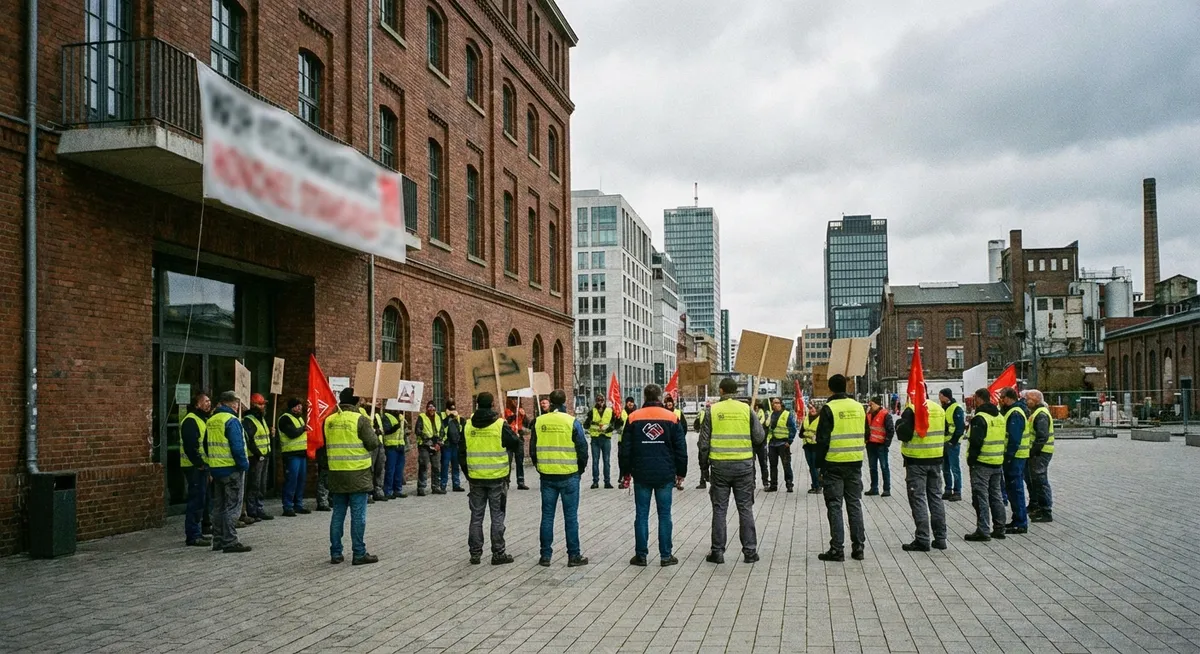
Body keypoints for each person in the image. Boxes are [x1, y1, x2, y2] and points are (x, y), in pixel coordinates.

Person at [699, 378, 765, 564]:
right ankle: (750, 552)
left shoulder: (712, 411)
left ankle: (717, 552)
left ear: (720, 391)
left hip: (719, 467)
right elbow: (759, 437)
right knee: (745, 508)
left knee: (719, 509)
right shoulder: (747, 409)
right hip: (744, 466)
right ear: (736, 391)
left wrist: (704, 469)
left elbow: (704, 444)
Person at [620, 384, 687, 567]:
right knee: (664, 515)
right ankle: (666, 555)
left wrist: (625, 472)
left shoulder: (633, 417)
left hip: (641, 473)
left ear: (644, 396)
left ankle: (641, 555)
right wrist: (681, 472)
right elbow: (681, 448)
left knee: (641, 514)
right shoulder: (672, 417)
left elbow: (625, 448)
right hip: (665, 474)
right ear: (660, 396)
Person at [460, 392, 521, 565]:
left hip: (476, 479)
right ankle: (498, 553)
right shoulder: (499, 425)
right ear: (493, 404)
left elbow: (461, 453)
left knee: (476, 516)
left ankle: (475, 553)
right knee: (497, 516)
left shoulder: (468, 425)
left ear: (477, 404)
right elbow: (515, 444)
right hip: (497, 478)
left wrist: (468, 473)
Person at [529, 389, 589, 567]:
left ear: (550, 402)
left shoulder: (539, 421)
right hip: (569, 474)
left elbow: (533, 449)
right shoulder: (571, 422)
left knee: (547, 516)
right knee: (570, 517)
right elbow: (582, 449)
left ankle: (545, 556)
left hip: (547, 475)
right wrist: (580, 469)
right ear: (565, 402)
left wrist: (540, 467)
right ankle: (573, 556)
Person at [324, 387, 380, 565]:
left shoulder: (329, 420)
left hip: (336, 474)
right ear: (356, 402)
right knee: (358, 516)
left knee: (338, 514)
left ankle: (335, 552)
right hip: (358, 473)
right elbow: (372, 444)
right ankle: (359, 553)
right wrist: (375, 434)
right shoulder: (360, 419)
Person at [815, 375, 866, 562]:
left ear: (830, 388)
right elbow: (866, 433)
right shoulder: (859, 407)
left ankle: (837, 549)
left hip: (834, 463)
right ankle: (859, 547)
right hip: (855, 462)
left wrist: (819, 466)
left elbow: (822, 440)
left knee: (835, 505)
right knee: (854, 504)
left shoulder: (829, 409)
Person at [896, 388, 948, 552]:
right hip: (935, 459)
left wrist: (899, 424)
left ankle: (922, 538)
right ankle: (940, 538)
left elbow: (904, 434)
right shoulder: (939, 409)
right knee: (936, 498)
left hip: (916, 461)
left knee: (918, 499)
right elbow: (945, 431)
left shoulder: (912, 410)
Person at [203, 391, 252, 553]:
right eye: (237, 403)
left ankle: (217, 540)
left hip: (216, 469)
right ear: (232, 404)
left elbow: (205, 445)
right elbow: (237, 447)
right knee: (233, 506)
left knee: (219, 506)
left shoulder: (211, 420)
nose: (238, 406)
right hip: (232, 469)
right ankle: (230, 541)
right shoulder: (231, 420)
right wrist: (244, 465)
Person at [964, 388, 1007, 542]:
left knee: (981, 497)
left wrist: (971, 460)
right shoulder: (1000, 417)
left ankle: (983, 529)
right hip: (997, 462)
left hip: (981, 463)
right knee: (996, 496)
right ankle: (1000, 528)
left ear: (979, 399)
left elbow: (976, 442)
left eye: (974, 398)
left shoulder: (980, 418)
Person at [180, 393, 211, 546]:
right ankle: (193, 535)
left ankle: (200, 530)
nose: (208, 403)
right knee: (196, 500)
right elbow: (191, 445)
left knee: (202, 499)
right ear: (197, 404)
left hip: (201, 466)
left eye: (209, 401)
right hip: (194, 466)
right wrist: (199, 463)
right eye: (205, 401)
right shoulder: (191, 420)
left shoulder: (201, 419)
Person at [997, 387, 1030, 534]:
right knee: (1013, 489)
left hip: (1015, 457)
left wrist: (1008, 458)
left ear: (1009, 398)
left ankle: (1020, 522)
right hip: (1016, 456)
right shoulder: (1013, 411)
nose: (1000, 401)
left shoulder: (1015, 413)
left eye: (1002, 398)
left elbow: (1014, 439)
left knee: (1016, 489)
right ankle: (1017, 519)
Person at [242, 393, 273, 521]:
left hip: (264, 455)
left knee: (261, 484)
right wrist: (258, 454)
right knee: (254, 484)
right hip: (255, 457)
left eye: (263, 404)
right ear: (254, 405)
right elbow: (250, 440)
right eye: (261, 404)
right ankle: (253, 510)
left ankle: (259, 508)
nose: (263, 407)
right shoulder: (249, 420)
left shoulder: (261, 419)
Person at [1025, 389, 1055, 523]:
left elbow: (1042, 436)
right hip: (1039, 452)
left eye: (1029, 399)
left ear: (1036, 400)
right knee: (1037, 480)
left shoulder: (1041, 414)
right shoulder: (1037, 413)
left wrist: (1033, 451)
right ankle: (1040, 507)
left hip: (1040, 453)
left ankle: (1046, 510)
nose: (1026, 401)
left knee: (1040, 480)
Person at [278, 398, 311, 516]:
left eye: (300, 406)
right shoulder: (285, 419)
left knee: (301, 481)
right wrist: (303, 429)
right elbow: (292, 433)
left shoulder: (299, 418)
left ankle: (298, 504)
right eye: (297, 406)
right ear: (291, 407)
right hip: (291, 454)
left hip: (301, 454)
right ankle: (288, 506)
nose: (299, 408)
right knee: (291, 481)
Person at [765, 397, 797, 492]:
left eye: (776, 402)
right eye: (773, 403)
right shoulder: (771, 414)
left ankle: (789, 484)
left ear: (781, 404)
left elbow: (793, 429)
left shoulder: (787, 415)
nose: (774, 404)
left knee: (786, 465)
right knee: (773, 465)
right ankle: (773, 485)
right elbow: (769, 428)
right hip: (773, 444)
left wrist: (789, 441)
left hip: (783, 443)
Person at [582, 396, 615, 489]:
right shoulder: (592, 412)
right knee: (595, 461)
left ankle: (607, 482)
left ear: (604, 401)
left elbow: (615, 423)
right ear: (596, 401)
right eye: (598, 400)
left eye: (601, 400)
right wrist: (591, 423)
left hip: (606, 438)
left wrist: (610, 428)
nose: (600, 402)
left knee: (606, 461)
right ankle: (595, 481)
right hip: (595, 439)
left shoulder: (609, 411)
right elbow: (585, 425)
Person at [940, 389, 966, 502]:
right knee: (945, 467)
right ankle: (948, 489)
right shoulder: (943, 408)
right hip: (944, 442)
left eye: (940, 396)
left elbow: (960, 427)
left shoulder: (956, 408)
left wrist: (953, 441)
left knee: (954, 467)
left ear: (946, 397)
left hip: (952, 443)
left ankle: (957, 491)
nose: (939, 398)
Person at [864, 397, 894, 497]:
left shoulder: (885, 414)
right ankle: (874, 488)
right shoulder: (868, 414)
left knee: (884, 467)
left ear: (877, 404)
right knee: (872, 467)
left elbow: (890, 430)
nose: (869, 406)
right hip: (870, 444)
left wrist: (886, 443)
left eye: (871, 404)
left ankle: (887, 489)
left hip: (881, 445)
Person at [359, 400, 387, 502]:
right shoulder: (361, 412)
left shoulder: (377, 415)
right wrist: (375, 431)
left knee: (380, 467)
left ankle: (378, 490)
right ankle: (368, 493)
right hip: (370, 445)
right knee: (370, 469)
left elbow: (381, 428)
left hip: (379, 443)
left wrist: (380, 431)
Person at [415, 401, 445, 496]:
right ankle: (421, 487)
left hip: (436, 445)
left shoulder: (438, 417)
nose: (431, 409)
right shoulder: (422, 417)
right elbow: (418, 430)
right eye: (429, 407)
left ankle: (436, 487)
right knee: (423, 466)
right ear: (427, 408)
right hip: (425, 445)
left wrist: (439, 443)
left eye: (433, 407)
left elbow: (442, 431)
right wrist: (427, 439)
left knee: (436, 467)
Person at [382, 405, 408, 499]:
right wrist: (397, 426)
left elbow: (403, 431)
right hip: (391, 446)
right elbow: (386, 430)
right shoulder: (386, 416)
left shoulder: (401, 417)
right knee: (390, 469)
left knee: (399, 470)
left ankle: (398, 489)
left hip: (400, 446)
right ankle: (388, 491)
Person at [504, 399, 530, 490]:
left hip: (519, 437)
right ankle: (506, 481)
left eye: (516, 399)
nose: (515, 402)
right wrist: (515, 414)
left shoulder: (521, 410)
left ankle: (521, 481)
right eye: (512, 400)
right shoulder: (507, 411)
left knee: (520, 460)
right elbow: (508, 421)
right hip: (510, 438)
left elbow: (527, 424)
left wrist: (524, 415)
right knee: (508, 461)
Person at [440, 400, 466, 493]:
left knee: (455, 465)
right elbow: (441, 427)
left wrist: (456, 418)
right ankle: (443, 485)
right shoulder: (442, 416)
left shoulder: (458, 417)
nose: (452, 410)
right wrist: (448, 417)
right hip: (446, 444)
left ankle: (456, 484)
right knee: (445, 465)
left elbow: (461, 429)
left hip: (455, 444)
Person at [801, 404, 822, 494]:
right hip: (807, 446)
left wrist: (808, 434)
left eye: (814, 408)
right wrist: (807, 435)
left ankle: (818, 486)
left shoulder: (821, 419)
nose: (812, 410)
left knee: (815, 467)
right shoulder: (806, 419)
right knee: (811, 467)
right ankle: (815, 484)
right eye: (810, 408)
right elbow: (801, 433)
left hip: (816, 446)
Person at [694, 402, 711, 489]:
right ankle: (706, 479)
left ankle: (703, 480)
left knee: (702, 461)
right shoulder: (714, 413)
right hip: (713, 441)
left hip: (703, 441)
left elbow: (696, 424)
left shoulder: (702, 412)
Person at [754, 400, 771, 488]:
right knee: (762, 464)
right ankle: (764, 482)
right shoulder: (753, 413)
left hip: (758, 443)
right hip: (760, 443)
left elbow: (765, 424)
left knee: (762, 464)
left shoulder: (764, 414)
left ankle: (764, 482)